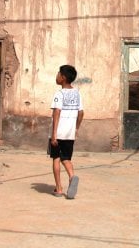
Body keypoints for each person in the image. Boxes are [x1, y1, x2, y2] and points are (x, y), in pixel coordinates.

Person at [48, 64, 84, 199]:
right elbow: (81, 113)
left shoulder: (59, 94)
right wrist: (76, 128)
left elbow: (56, 112)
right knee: (66, 158)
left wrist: (54, 134)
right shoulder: (77, 93)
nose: (56, 76)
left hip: (59, 133)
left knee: (56, 158)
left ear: (63, 78)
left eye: (58, 74)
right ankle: (72, 176)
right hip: (70, 133)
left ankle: (58, 188)